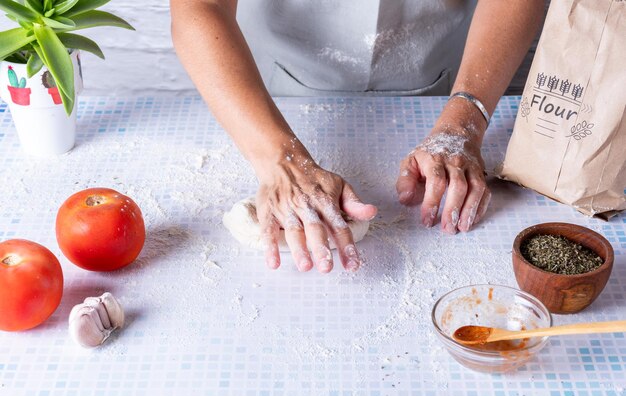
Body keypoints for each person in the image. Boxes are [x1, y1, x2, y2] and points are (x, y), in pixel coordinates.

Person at [170, 0, 545, 273]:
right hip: (273, 86)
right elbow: (199, 7)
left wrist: (464, 119)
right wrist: (278, 158)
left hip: (443, 74)